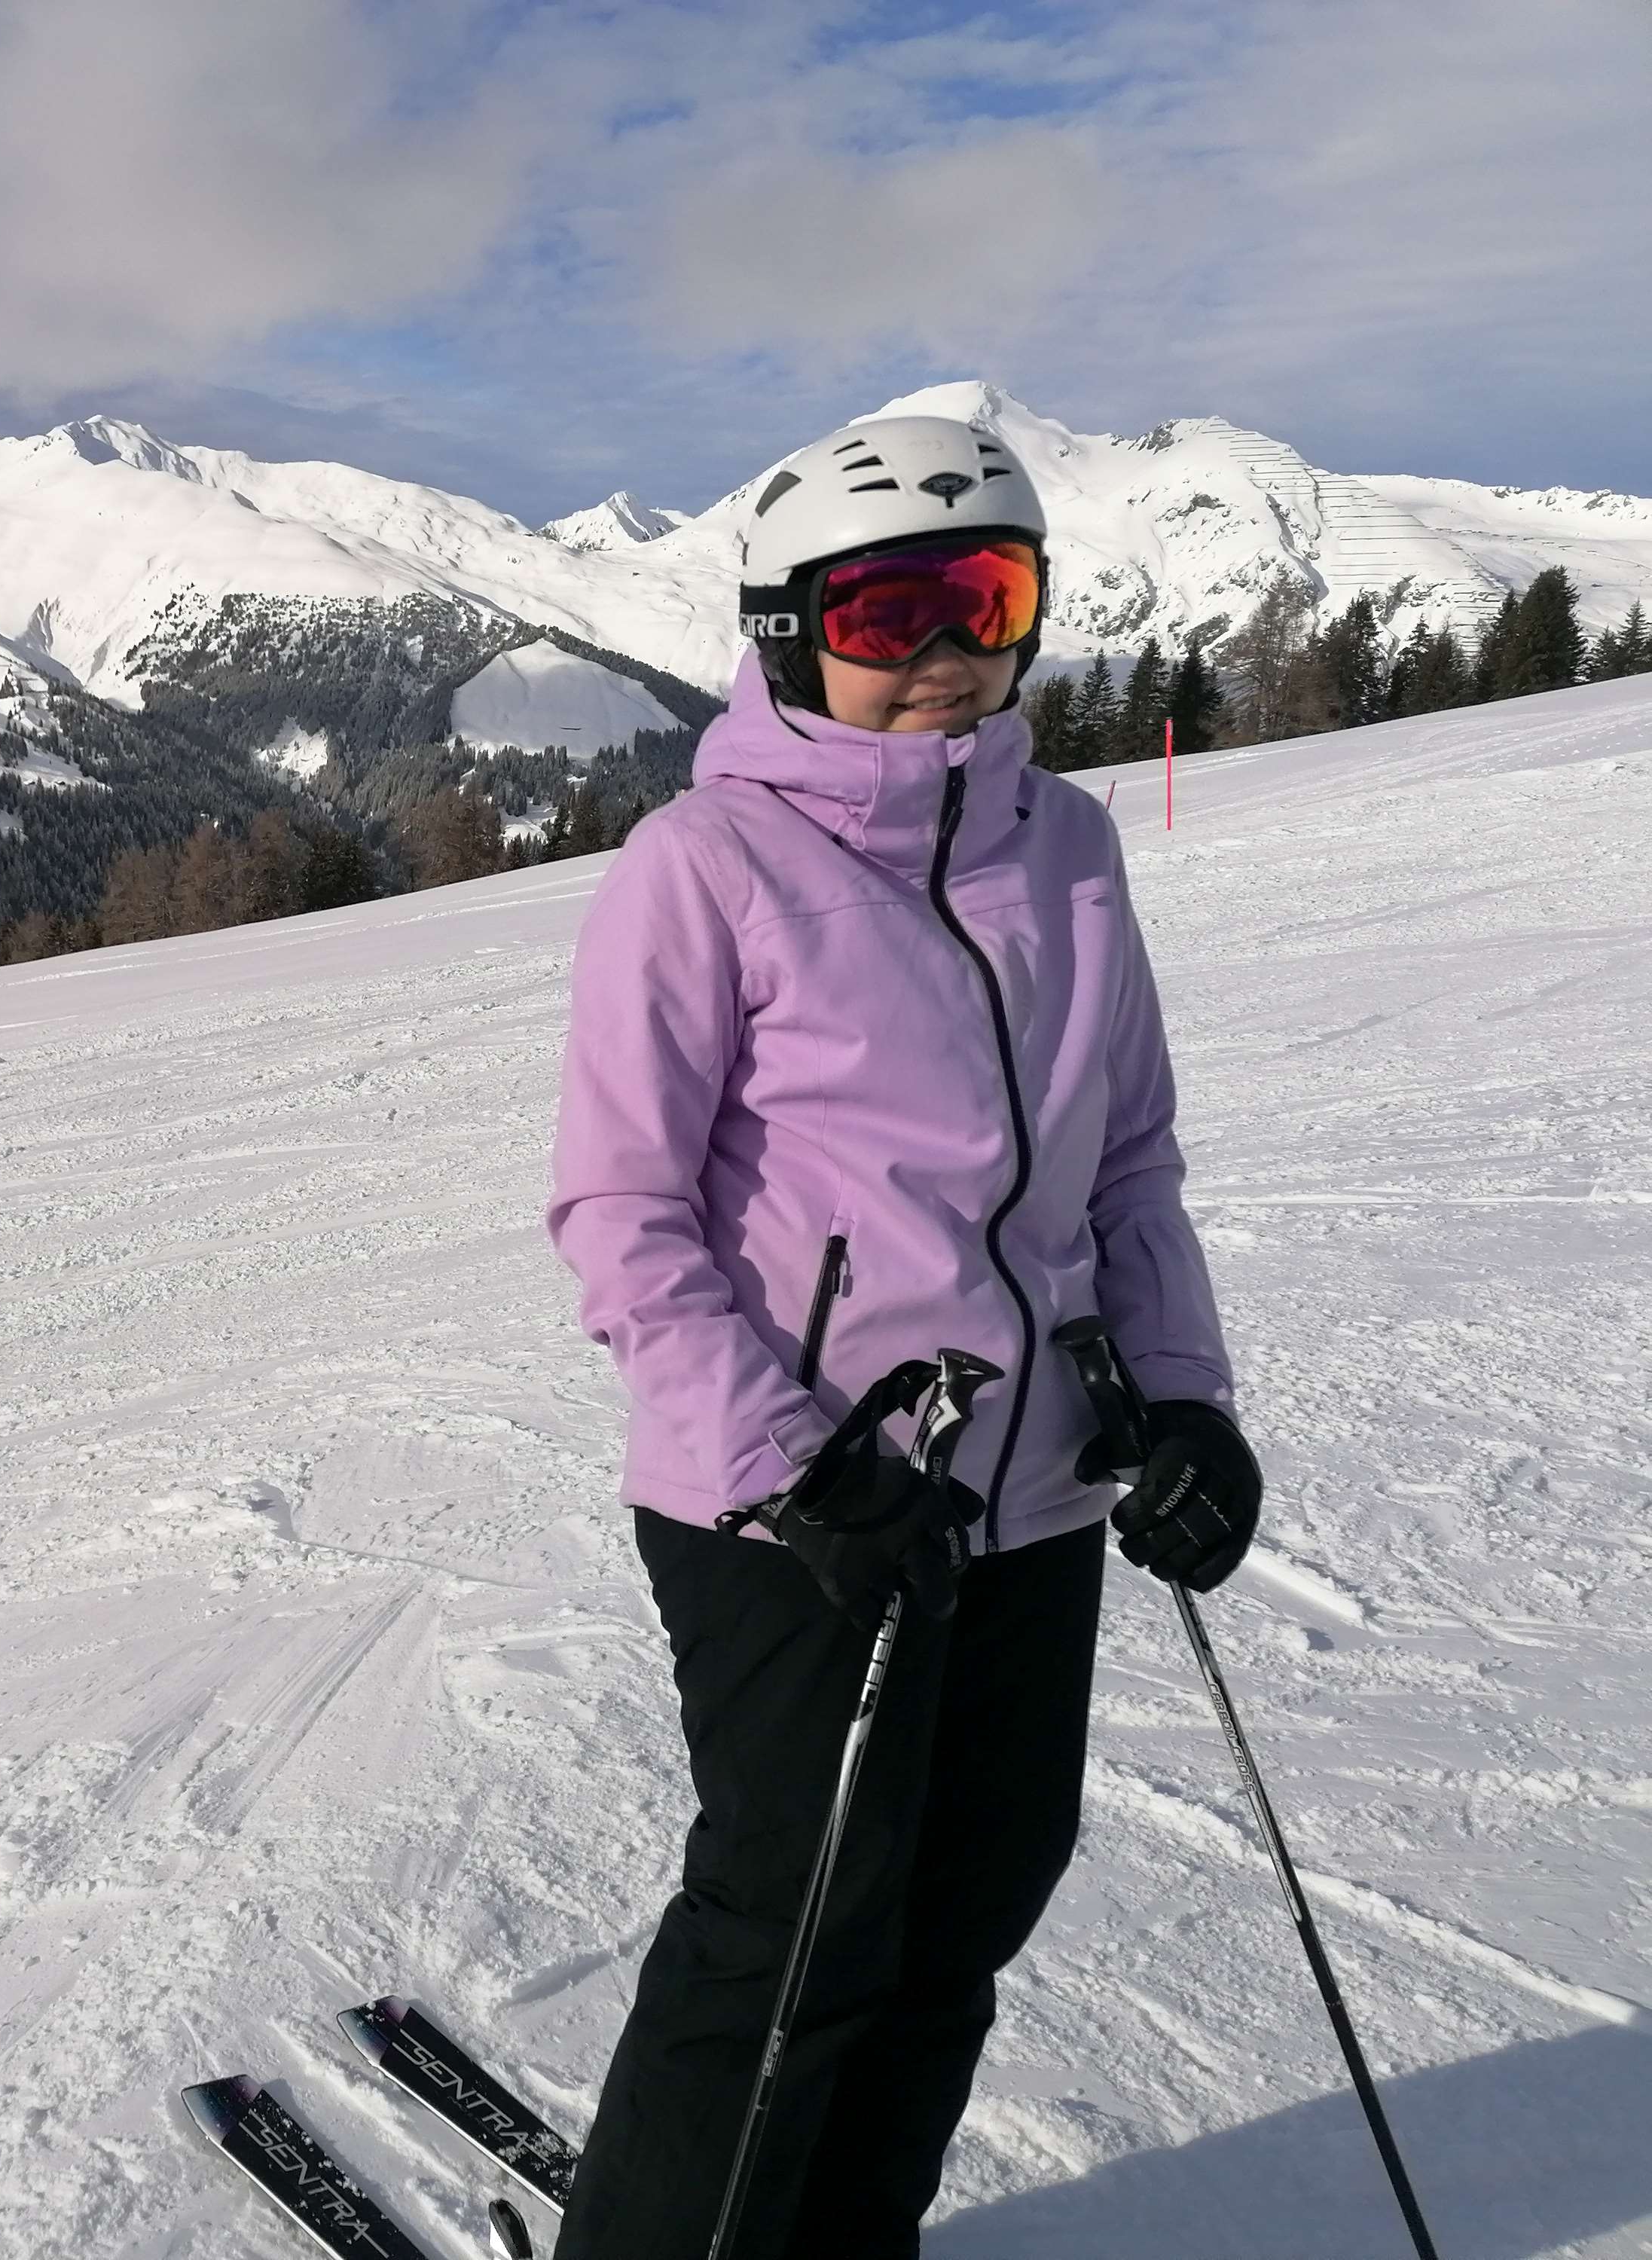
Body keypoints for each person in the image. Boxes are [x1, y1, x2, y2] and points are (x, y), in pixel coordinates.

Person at [544, 414, 1264, 2258]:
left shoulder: (1073, 848)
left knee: (964, 1909)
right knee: (794, 1931)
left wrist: (1180, 1402)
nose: (943, 649)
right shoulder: (701, 864)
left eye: (987, 596)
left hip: (1025, 1498)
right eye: (886, 609)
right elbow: (618, 1212)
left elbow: (1127, 1162)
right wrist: (794, 1467)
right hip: (798, 1505)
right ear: (791, 635)